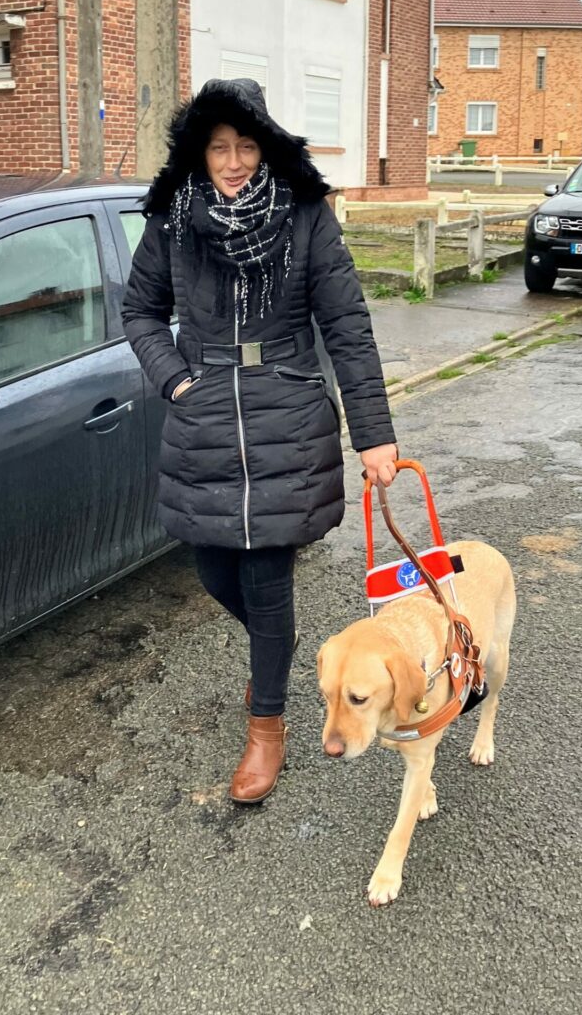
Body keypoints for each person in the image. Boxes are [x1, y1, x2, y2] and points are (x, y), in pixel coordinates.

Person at [122, 78, 397, 805]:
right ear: (200, 153)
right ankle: (276, 651)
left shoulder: (306, 217)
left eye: (246, 146)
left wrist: (374, 435)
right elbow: (141, 311)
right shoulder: (174, 221)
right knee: (214, 570)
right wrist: (175, 380)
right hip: (202, 410)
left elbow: (347, 326)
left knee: (267, 580)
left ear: (264, 149)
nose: (234, 160)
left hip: (289, 412)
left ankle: (266, 724)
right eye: (220, 147)